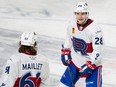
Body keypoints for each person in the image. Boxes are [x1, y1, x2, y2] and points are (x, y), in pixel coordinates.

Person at [59, 2, 103, 87]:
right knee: (63, 85)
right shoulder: (71, 24)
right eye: (77, 13)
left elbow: (98, 51)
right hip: (75, 61)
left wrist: (91, 64)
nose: (80, 16)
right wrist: (66, 51)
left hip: (92, 64)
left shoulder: (95, 30)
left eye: (83, 13)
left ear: (87, 14)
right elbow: (68, 40)